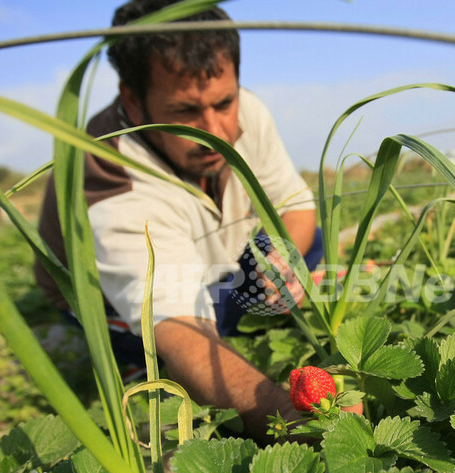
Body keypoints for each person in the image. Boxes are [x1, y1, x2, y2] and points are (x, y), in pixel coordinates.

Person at [34, 1, 326, 441]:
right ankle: (138, 365)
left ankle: (254, 304)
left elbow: (295, 205)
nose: (214, 132)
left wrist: (284, 261)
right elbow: (183, 330)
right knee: (179, 344)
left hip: (214, 264)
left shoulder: (246, 111)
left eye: (224, 102)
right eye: (185, 111)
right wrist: (292, 418)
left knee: (307, 242)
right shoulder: (110, 175)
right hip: (126, 304)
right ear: (133, 101)